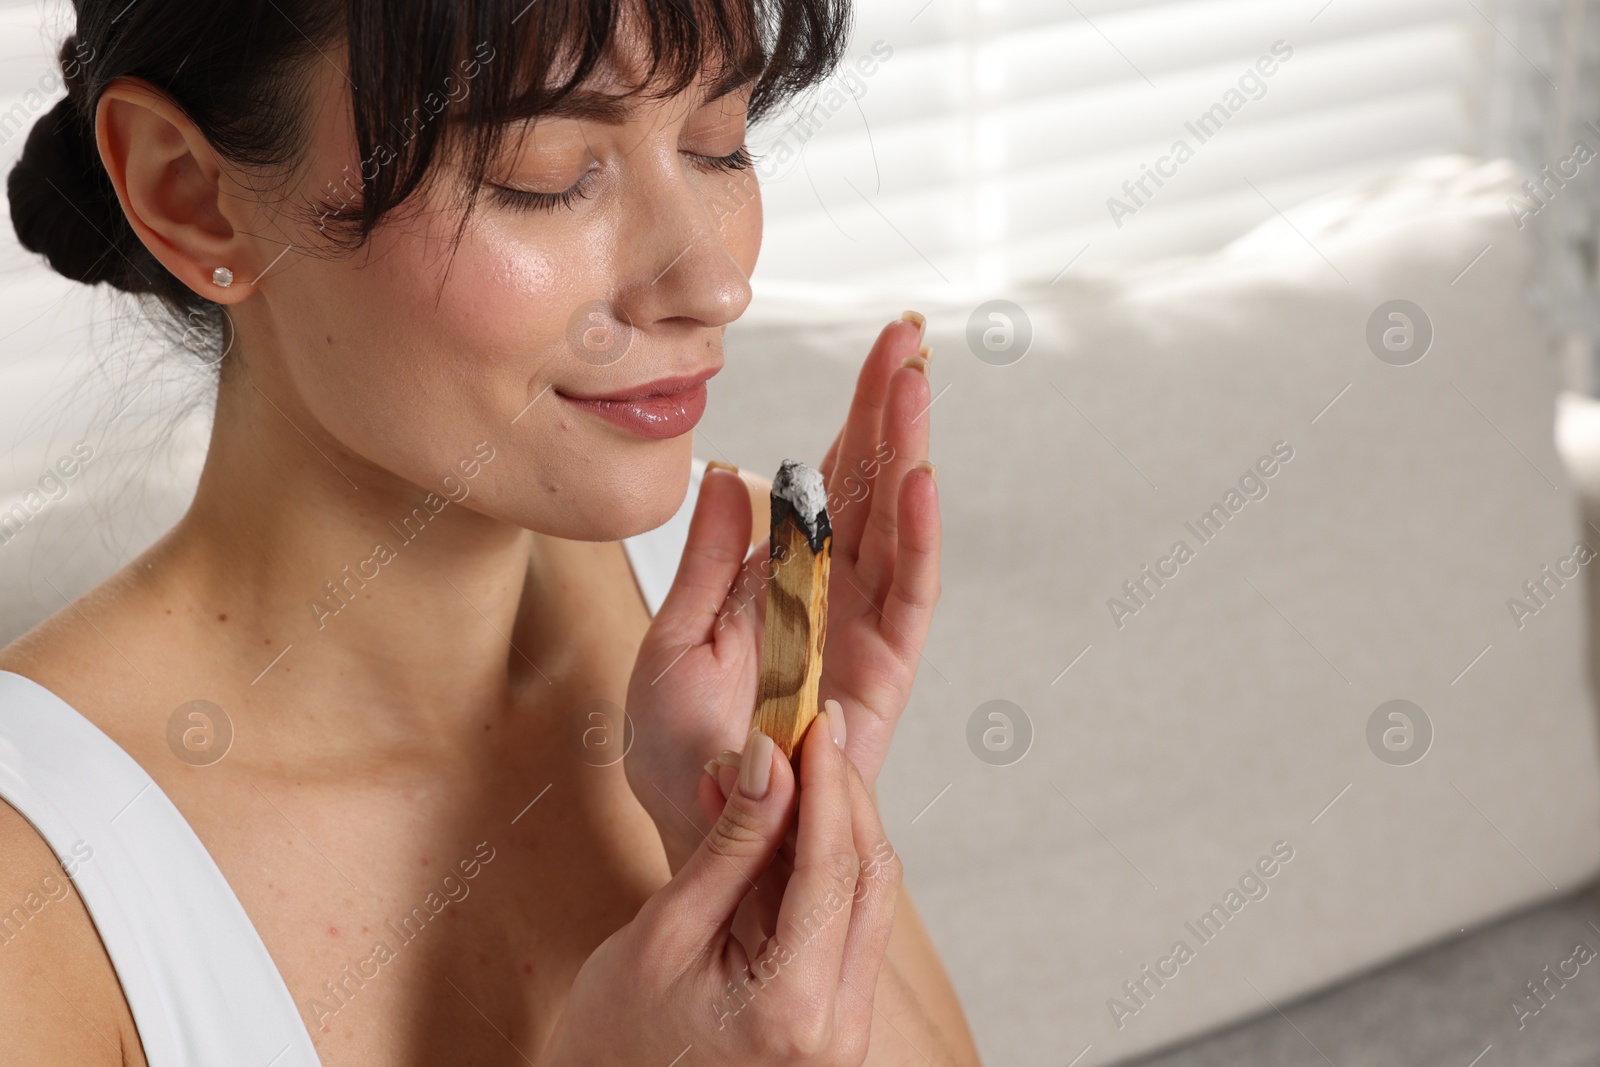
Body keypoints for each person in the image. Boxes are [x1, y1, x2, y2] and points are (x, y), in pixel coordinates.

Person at [0, 0, 980, 1063]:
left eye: (718, 141)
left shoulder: (729, 631)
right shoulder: (39, 878)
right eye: (546, 171)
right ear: (187, 195)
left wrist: (783, 826)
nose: (716, 283)